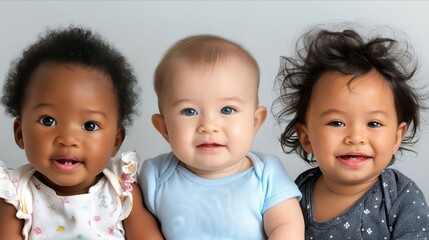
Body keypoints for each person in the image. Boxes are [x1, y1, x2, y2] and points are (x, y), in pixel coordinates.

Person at [0, 26, 163, 240]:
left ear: (115, 142)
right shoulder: (16, 196)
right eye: (48, 121)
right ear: (20, 134)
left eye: (90, 126)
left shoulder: (121, 191)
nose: (68, 139)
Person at [138, 34, 304, 239]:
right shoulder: (155, 175)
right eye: (189, 111)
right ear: (164, 128)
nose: (208, 126)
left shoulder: (267, 174)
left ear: (254, 122)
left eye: (227, 110)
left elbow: (286, 226)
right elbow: (139, 227)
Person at [274, 26, 429, 239]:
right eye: (336, 123)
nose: (355, 137)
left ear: (396, 137)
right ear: (306, 138)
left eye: (373, 124)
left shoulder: (399, 196)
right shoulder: (295, 193)